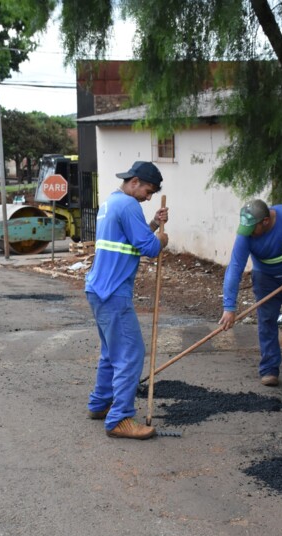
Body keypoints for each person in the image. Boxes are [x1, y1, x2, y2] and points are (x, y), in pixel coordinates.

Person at [85, 161, 168, 440]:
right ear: (134, 182)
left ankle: (100, 404)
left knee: (111, 352)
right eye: (148, 190)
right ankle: (119, 418)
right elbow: (149, 247)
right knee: (130, 353)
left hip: (98, 289)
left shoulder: (112, 202)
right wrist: (162, 238)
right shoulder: (130, 205)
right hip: (113, 292)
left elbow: (132, 237)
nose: (149, 196)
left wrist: (154, 223)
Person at [218, 199, 282, 387]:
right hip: (265, 278)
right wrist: (229, 307)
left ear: (265, 221)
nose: (248, 232)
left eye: (252, 228)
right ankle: (269, 369)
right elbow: (235, 268)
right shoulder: (245, 235)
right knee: (267, 320)